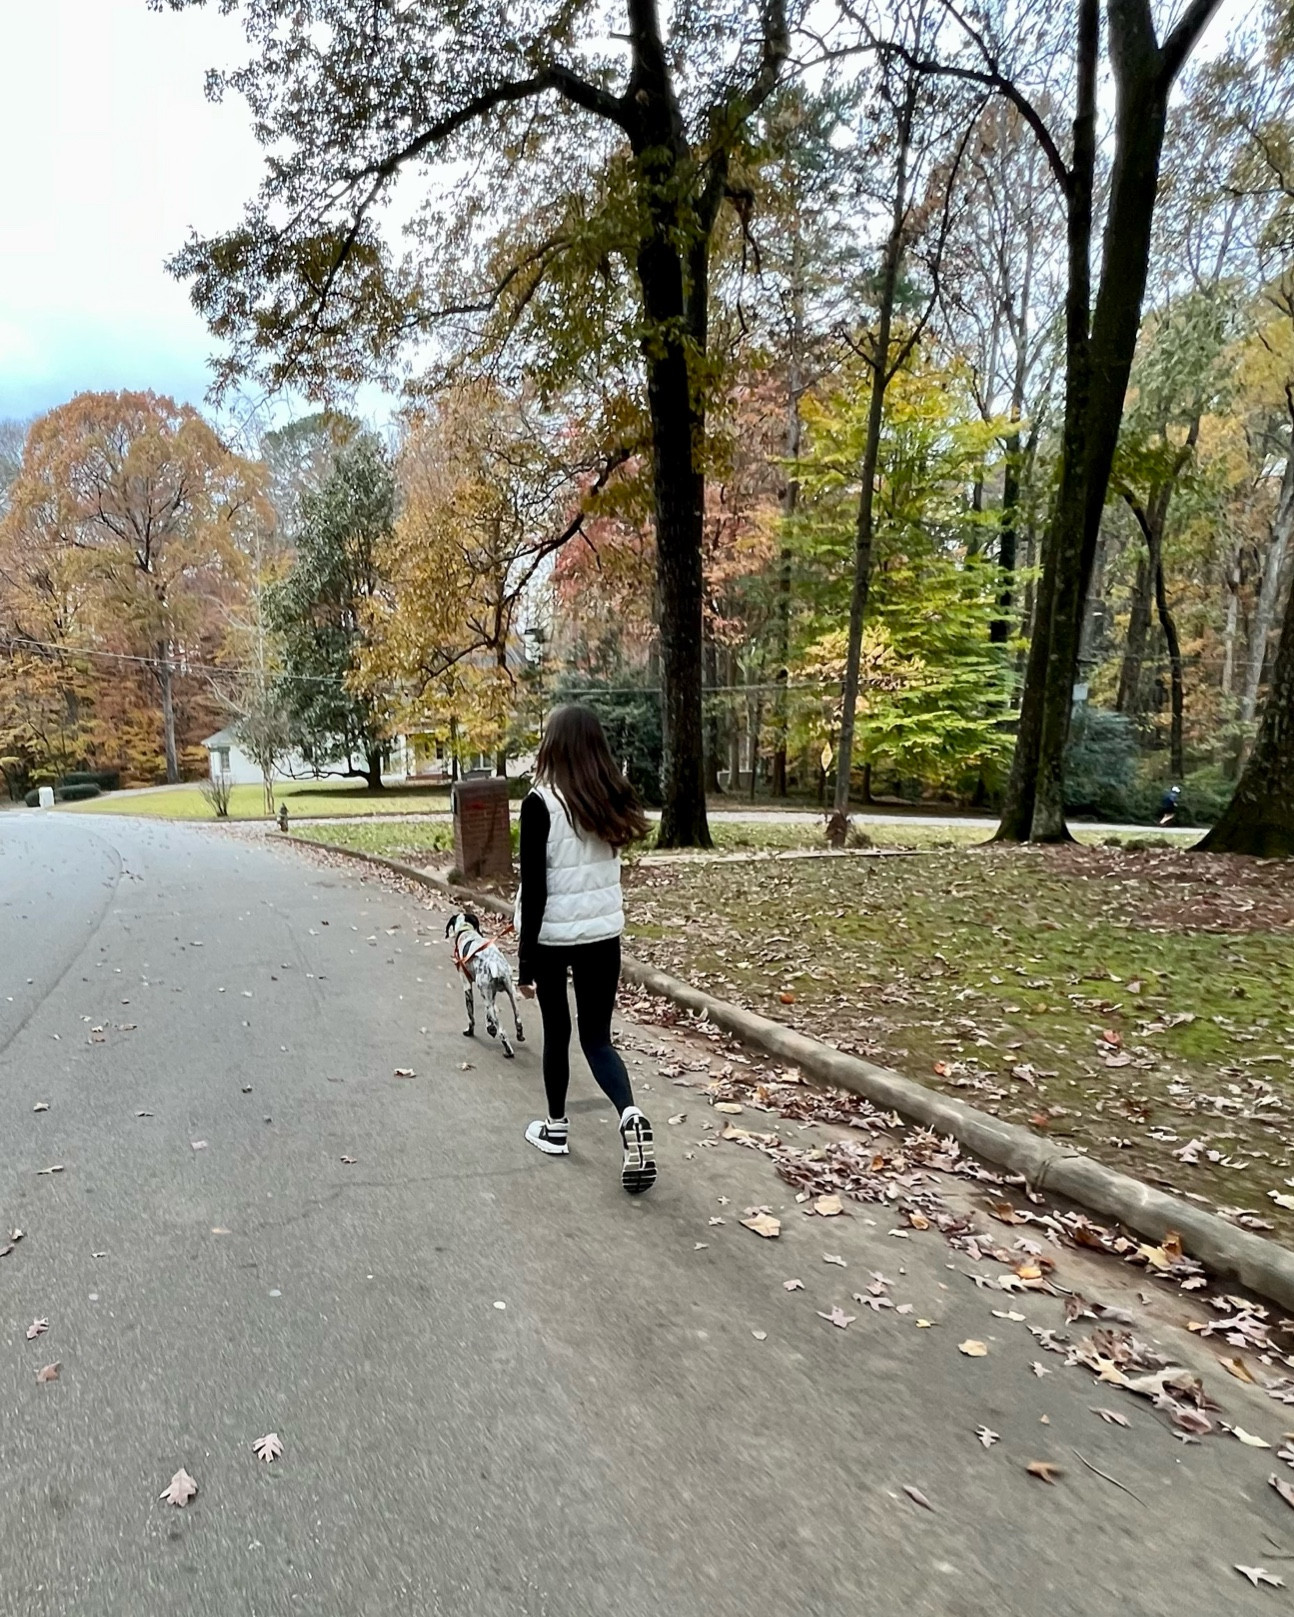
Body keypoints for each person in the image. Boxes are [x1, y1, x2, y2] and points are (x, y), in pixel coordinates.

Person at [515, 705, 656, 1193]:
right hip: (604, 937)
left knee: (558, 1032)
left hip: (553, 940)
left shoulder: (539, 803)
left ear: (553, 744)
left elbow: (534, 889)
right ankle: (630, 1114)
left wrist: (525, 962)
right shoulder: (609, 800)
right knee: (598, 1038)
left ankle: (556, 1128)